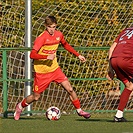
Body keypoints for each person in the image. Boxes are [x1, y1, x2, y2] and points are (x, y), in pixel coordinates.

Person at [14, 15, 91, 120]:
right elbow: (32, 55)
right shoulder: (41, 38)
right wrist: (46, 56)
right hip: (42, 72)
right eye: (50, 27)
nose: (52, 29)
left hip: (55, 69)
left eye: (54, 27)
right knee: (36, 97)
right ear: (46, 26)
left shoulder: (59, 35)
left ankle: (79, 110)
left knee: (70, 89)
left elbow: (66, 45)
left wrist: (78, 55)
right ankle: (20, 106)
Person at [106, 26, 133, 122]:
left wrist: (110, 69)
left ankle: (118, 115)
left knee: (129, 86)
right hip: (127, 59)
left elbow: (111, 48)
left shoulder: (125, 30)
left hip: (114, 60)